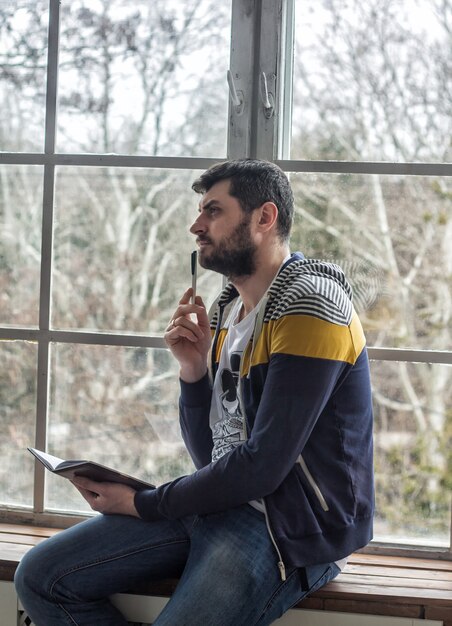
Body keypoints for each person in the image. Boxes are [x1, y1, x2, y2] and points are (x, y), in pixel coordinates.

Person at [15, 159, 374, 625]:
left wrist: (143, 503)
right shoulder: (230, 310)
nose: (195, 225)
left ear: (264, 218)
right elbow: (216, 457)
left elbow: (263, 467)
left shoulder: (311, 305)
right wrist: (192, 372)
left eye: (212, 211)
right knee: (41, 576)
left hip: (291, 528)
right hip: (224, 502)